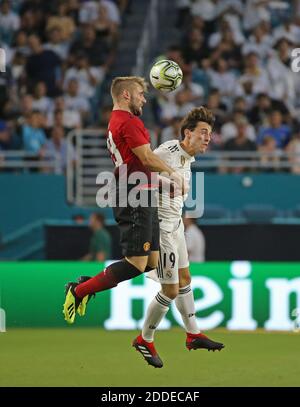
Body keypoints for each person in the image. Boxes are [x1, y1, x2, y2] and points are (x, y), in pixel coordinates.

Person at [63, 76, 185, 323]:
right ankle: (78, 291)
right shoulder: (128, 121)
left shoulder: (120, 121)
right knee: (137, 263)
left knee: (152, 262)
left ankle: (87, 285)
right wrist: (174, 175)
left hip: (141, 189)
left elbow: (134, 164)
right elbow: (147, 158)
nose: (144, 98)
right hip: (134, 194)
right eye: (140, 93)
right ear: (126, 95)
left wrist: (162, 183)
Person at [133, 107, 224, 368]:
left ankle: (193, 333)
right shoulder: (167, 153)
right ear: (188, 133)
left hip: (176, 226)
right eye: (203, 133)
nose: (208, 138)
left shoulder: (188, 158)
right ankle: (144, 338)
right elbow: (137, 179)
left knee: (185, 279)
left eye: (210, 134)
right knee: (170, 289)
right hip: (161, 228)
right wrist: (168, 184)